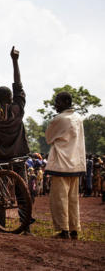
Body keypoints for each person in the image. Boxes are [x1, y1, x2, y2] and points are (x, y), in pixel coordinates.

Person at [0, 46, 32, 233]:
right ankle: (26, 226)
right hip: (19, 156)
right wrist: (15, 61)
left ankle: (0, 224)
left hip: (0, 158)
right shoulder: (18, 109)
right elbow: (19, 86)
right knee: (22, 190)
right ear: (11, 97)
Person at [45, 92, 86, 240]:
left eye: (58, 102)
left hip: (61, 164)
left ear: (66, 101)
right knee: (73, 199)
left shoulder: (59, 119)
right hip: (75, 164)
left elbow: (49, 138)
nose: (55, 105)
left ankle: (64, 230)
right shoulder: (78, 119)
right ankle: (74, 228)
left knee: (59, 199)